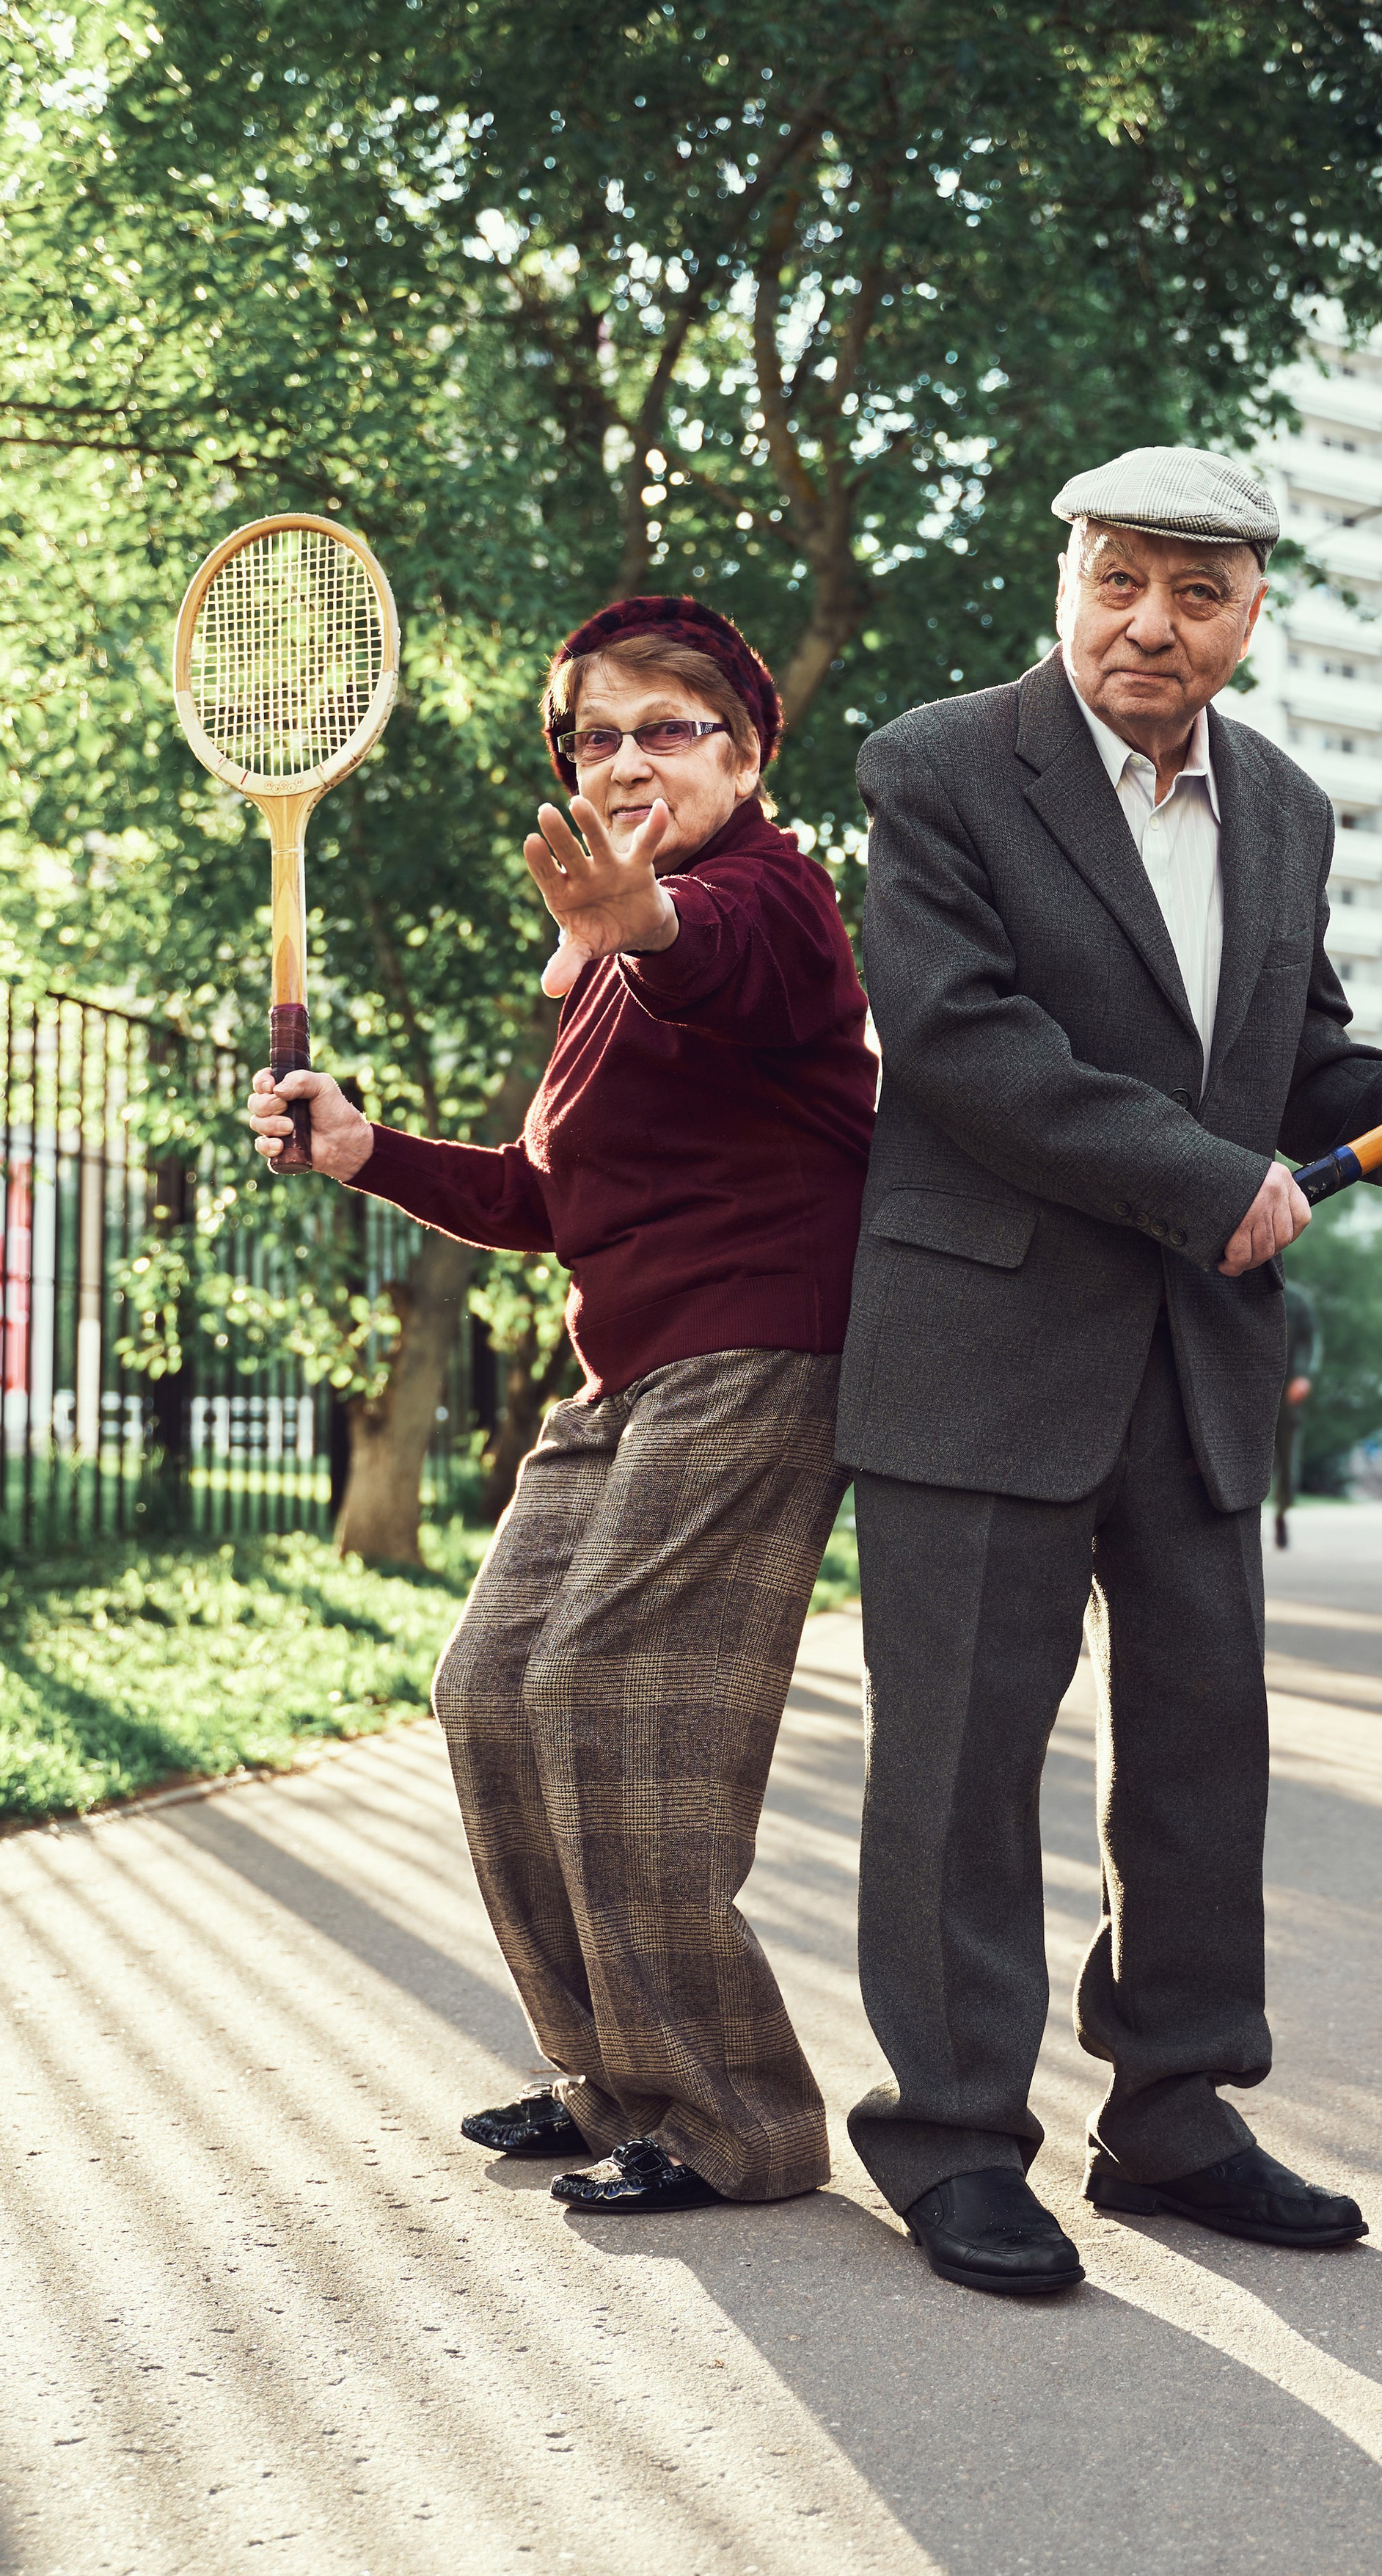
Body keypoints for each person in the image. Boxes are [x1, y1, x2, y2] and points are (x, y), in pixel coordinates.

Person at [835, 446, 1382, 2297]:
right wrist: (1210, 1180)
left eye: (1196, 593)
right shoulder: (936, 764)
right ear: (1068, 579)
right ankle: (953, 2136)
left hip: (1196, 1358)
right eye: (1120, 580)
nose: (1152, 624)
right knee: (959, 1757)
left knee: (1201, 1756)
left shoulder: (1283, 806)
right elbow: (959, 1044)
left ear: (1251, 612)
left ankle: (1177, 2115)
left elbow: (1293, 1055)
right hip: (980, 1340)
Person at [246, 596, 875, 2219]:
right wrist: (364, 1148)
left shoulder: (770, 897)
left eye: (665, 729)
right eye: (593, 735)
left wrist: (646, 918)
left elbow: (721, 963)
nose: (620, 758)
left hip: (755, 1357)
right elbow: (546, 1195)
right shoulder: (601, 972)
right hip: (630, 1371)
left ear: (743, 753)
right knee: (486, 1684)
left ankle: (736, 2118)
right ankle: (613, 2076)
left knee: (601, 1685)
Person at [1271, 1280, 1320, 1551]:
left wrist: (1304, 1376)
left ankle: (1282, 1513)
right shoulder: (1242, 1288)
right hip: (1252, 1390)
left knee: (1288, 1459)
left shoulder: (1298, 1299)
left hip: (1288, 1391)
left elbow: (1311, 1341)